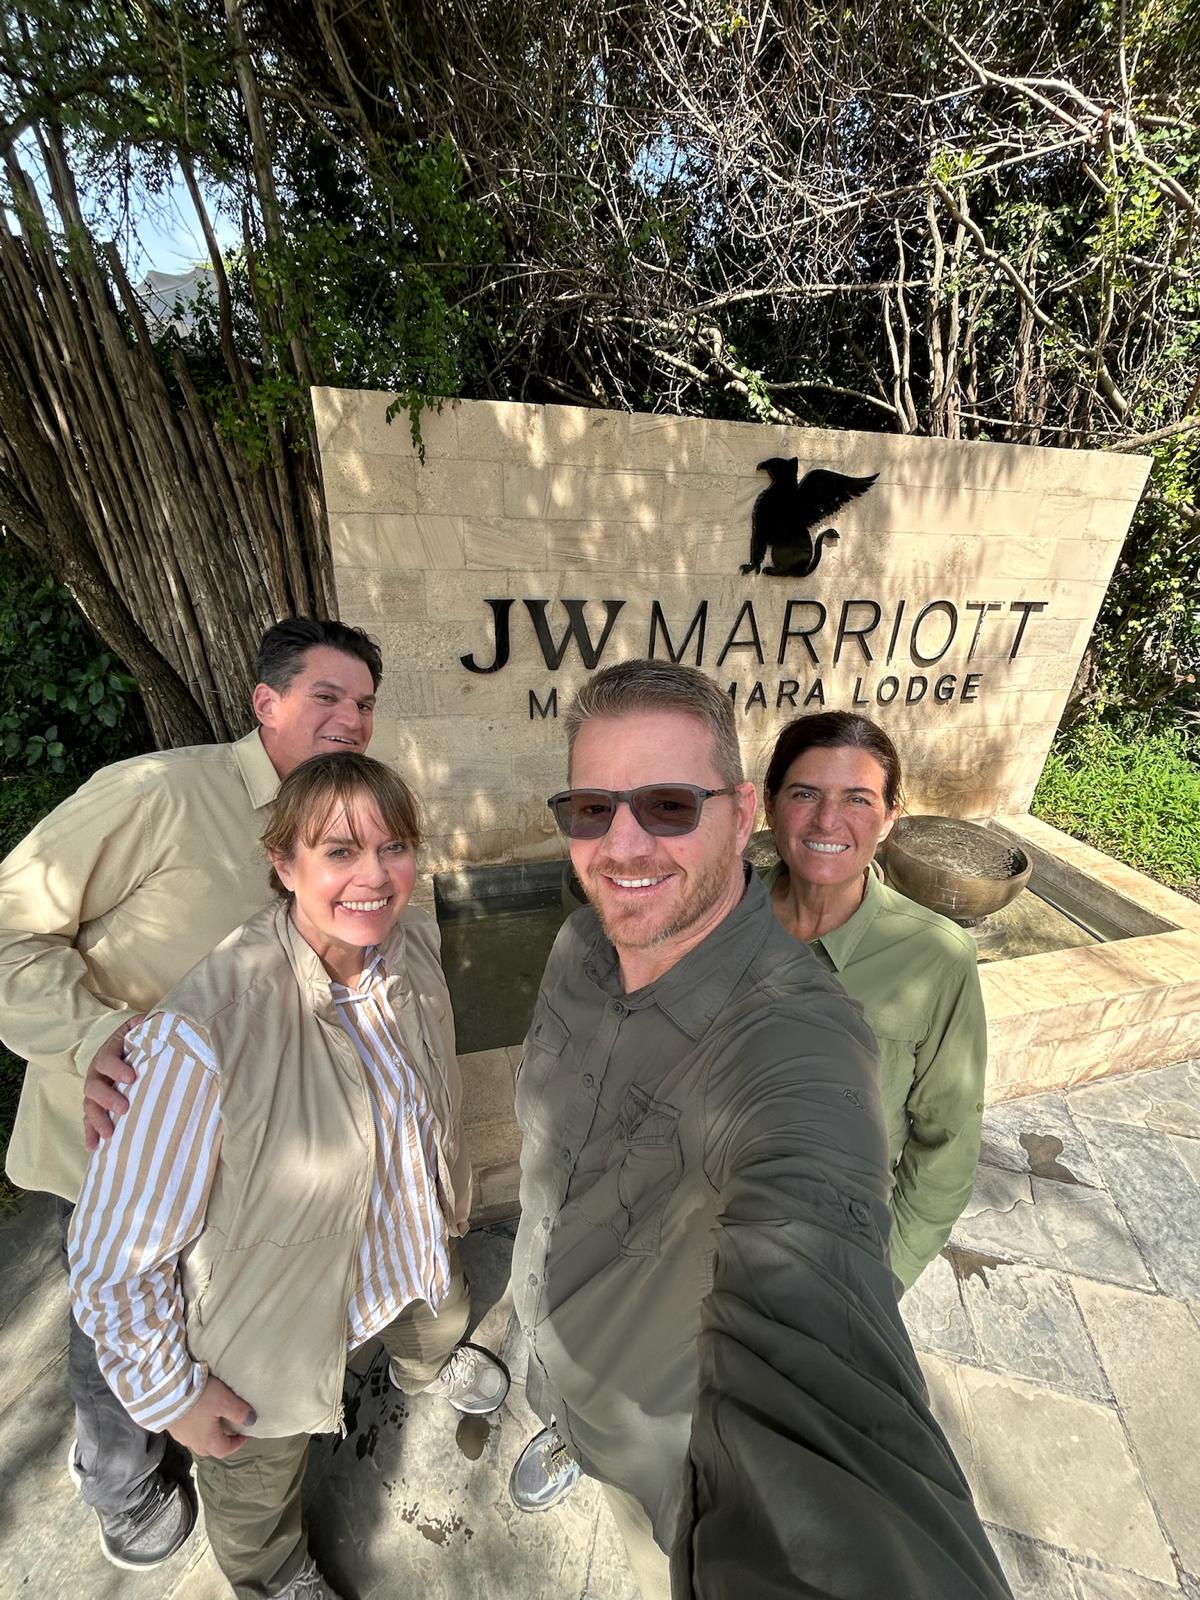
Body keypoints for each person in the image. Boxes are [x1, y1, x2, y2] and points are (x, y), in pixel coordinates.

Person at [506, 659, 1010, 1600]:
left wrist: (863, 1282)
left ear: (741, 817)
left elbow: (826, 1402)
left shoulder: (799, 1036)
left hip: (667, 1436)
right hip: (555, 1335)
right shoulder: (580, 944)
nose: (622, 844)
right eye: (590, 808)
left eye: (667, 805)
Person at [68, 753, 508, 1600]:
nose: (375, 877)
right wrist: (172, 1396)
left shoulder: (412, 938)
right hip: (268, 1335)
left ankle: (422, 1370)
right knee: (255, 1481)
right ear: (282, 863)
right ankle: (272, 1574)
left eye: (396, 847)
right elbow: (111, 1258)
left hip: (404, 1261)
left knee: (437, 1321)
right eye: (340, 852)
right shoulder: (204, 1035)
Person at [0, 616, 381, 1571]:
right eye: (327, 695)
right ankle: (122, 1484)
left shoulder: (334, 818)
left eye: (366, 703)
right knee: (111, 1319)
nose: (352, 718)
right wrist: (88, 1039)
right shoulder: (161, 793)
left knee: (198, 1312)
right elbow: (9, 928)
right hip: (119, 1138)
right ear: (267, 702)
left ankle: (188, 1419)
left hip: (242, 1164)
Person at [762, 711, 987, 1291]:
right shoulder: (717, 923)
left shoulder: (937, 957)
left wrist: (886, 1275)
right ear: (769, 806)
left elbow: (947, 1141)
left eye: (858, 799)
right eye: (805, 793)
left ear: (889, 819)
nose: (828, 819)